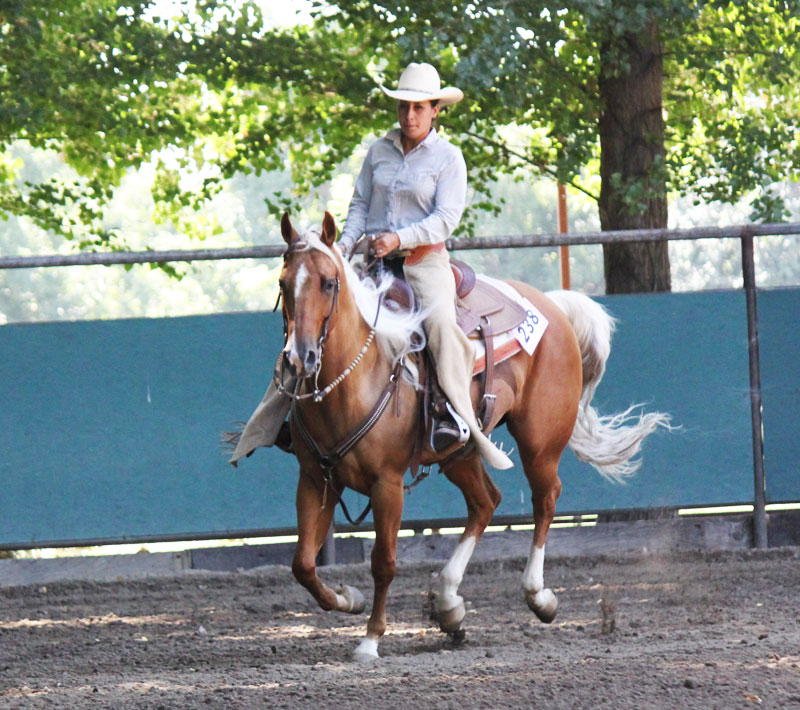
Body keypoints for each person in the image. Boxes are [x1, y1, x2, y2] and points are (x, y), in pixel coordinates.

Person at [338, 62, 512, 471]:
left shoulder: (449, 158)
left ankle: (454, 415)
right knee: (325, 320)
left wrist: (400, 238)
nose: (410, 115)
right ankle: (283, 419)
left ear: (436, 110)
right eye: (404, 107)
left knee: (441, 327)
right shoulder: (378, 151)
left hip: (424, 263)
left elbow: (446, 218)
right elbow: (361, 203)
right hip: (375, 265)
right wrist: (345, 245)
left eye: (419, 107)